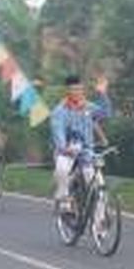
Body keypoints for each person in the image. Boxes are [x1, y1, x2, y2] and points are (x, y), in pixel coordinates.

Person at [50, 75, 111, 211]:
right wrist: (64, 147)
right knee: (62, 169)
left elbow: (106, 113)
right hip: (67, 150)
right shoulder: (59, 111)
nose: (77, 93)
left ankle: (99, 220)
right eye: (73, 89)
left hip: (86, 151)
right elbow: (58, 131)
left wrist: (103, 94)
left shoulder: (88, 107)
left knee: (96, 182)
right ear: (67, 91)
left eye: (79, 89)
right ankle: (64, 200)